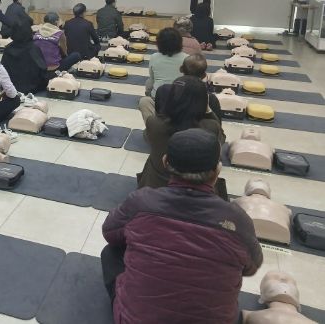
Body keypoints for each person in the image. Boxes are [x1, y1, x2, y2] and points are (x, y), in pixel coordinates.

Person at [102, 128, 263, 324]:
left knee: (111, 252)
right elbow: (251, 267)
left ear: (165, 162)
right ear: (217, 170)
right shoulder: (237, 219)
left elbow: (109, 232)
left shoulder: (141, 202)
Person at [138, 76, 225, 189]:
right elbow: (221, 139)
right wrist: (208, 110)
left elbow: (150, 134)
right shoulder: (211, 127)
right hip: (198, 190)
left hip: (155, 185)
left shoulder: (154, 123)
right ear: (203, 102)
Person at [152, 53, 223, 123]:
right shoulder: (210, 98)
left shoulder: (163, 90)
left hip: (170, 127)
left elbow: (160, 115)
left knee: (147, 104)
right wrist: (208, 110)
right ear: (204, 75)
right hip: (198, 129)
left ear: (181, 69)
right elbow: (217, 125)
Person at [2, 20, 49, 94]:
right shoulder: (34, 49)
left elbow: (3, 70)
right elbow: (42, 71)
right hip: (32, 88)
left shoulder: (7, 49)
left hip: (10, 87)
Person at [144, 27, 188, 98]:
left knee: (148, 85)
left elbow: (152, 78)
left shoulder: (154, 57)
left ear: (159, 43)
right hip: (180, 97)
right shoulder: (187, 58)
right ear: (179, 42)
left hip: (158, 96)